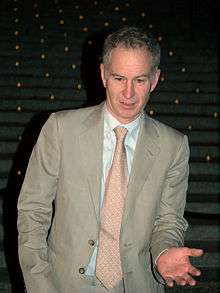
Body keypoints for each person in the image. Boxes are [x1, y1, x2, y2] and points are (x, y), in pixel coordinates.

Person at [17, 26, 203, 293]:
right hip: (63, 284)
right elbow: (33, 211)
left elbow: (169, 220)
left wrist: (163, 252)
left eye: (139, 80)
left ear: (155, 79)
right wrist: (39, 284)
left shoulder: (173, 146)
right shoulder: (60, 129)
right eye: (119, 78)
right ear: (103, 74)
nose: (128, 93)